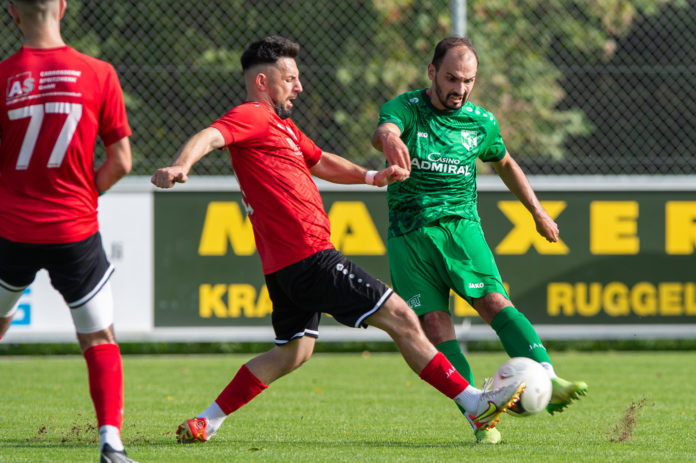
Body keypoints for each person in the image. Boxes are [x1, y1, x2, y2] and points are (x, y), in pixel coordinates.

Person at [151, 35, 525, 445]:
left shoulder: (283, 128)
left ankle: (207, 421)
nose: (299, 87)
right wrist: (181, 164)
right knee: (402, 316)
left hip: (284, 268)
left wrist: (372, 177)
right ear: (262, 82)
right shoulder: (253, 115)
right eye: (290, 79)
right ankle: (474, 404)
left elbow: (321, 161)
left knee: (293, 352)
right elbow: (211, 135)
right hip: (311, 257)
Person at [371, 36, 588, 444]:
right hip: (408, 235)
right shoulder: (406, 108)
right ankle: (481, 419)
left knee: (494, 302)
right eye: (451, 78)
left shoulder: (481, 122)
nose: (460, 88)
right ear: (432, 72)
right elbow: (384, 129)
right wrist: (390, 139)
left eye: (468, 80)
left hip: (461, 228)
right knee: (434, 327)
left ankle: (549, 376)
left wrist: (537, 211)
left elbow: (505, 162)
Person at [0, 1, 136, 462]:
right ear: (62, 8)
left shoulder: (3, 77)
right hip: (73, 230)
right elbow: (121, 162)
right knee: (99, 339)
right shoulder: (99, 73)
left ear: (12, 13)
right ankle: (111, 444)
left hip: (11, 231)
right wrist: (82, 194)